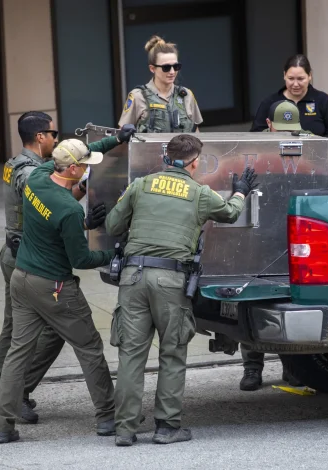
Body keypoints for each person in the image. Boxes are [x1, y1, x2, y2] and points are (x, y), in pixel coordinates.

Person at [105, 134, 258, 446]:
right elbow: (230, 213)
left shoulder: (141, 185)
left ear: (166, 157)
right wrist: (240, 192)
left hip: (133, 277)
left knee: (131, 356)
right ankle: (166, 427)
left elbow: (111, 226)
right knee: (172, 353)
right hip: (170, 280)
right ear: (195, 162)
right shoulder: (199, 192)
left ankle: (124, 429)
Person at [0, 112, 135, 422]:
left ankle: (2, 422)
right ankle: (109, 417)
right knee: (90, 347)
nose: (87, 169)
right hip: (53, 286)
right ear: (74, 169)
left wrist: (115, 139)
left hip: (22, 278)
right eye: (84, 165)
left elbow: (50, 215)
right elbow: (81, 260)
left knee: (18, 350)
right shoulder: (67, 209)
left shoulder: (39, 176)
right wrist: (116, 253)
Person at [239, 100, 328, 392]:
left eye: (293, 130)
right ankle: (259, 367)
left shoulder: (293, 143)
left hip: (287, 225)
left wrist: (326, 190)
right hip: (273, 225)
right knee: (264, 295)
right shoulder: (265, 144)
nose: (289, 135)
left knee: (279, 296)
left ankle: (282, 367)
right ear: (269, 125)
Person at [250, 54, 328, 145]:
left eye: (300, 79)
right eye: (291, 78)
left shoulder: (323, 101)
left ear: (309, 76)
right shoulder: (270, 102)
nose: (295, 84)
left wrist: (316, 148)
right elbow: (255, 135)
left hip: (315, 158)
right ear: (284, 75)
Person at [118, 35, 202, 133]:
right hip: (149, 148)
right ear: (152, 68)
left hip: (183, 148)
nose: (172, 72)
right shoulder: (138, 96)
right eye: (166, 67)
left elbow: (196, 132)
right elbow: (122, 134)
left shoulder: (187, 95)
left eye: (176, 66)